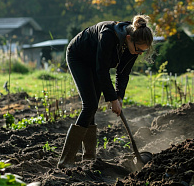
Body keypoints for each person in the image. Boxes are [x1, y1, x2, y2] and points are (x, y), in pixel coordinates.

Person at [57, 15, 154, 169]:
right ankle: (66, 161)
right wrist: (112, 99)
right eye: (139, 50)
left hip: (96, 63)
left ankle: (89, 158)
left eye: (143, 51)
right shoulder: (108, 35)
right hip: (79, 57)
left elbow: (123, 73)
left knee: (93, 106)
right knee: (90, 105)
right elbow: (102, 71)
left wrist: (119, 96)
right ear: (129, 38)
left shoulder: (133, 45)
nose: (139, 53)